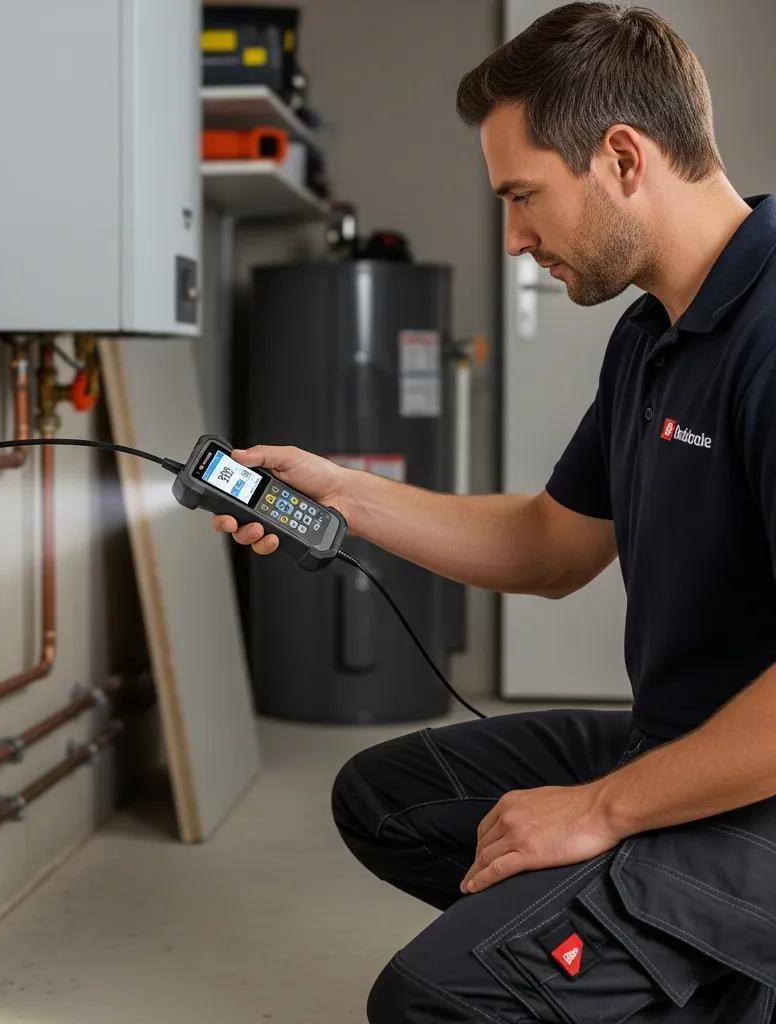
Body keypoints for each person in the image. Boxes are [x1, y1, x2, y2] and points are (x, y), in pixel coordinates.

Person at [212, 3, 776, 1021]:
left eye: (524, 197)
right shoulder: (651, 335)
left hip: (762, 798)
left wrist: (600, 811)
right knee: (390, 799)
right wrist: (345, 494)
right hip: (684, 743)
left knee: (427, 1002)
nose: (515, 239)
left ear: (621, 157)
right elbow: (549, 545)